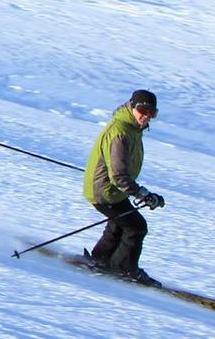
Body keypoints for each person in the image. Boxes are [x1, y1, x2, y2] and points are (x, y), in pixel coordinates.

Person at [82, 89, 166, 286]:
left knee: (120, 222)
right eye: (143, 110)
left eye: (151, 113)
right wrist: (142, 194)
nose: (146, 116)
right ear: (132, 106)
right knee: (136, 227)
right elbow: (119, 176)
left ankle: (101, 259)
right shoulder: (121, 131)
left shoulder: (131, 127)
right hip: (105, 190)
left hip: (108, 187)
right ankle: (125, 268)